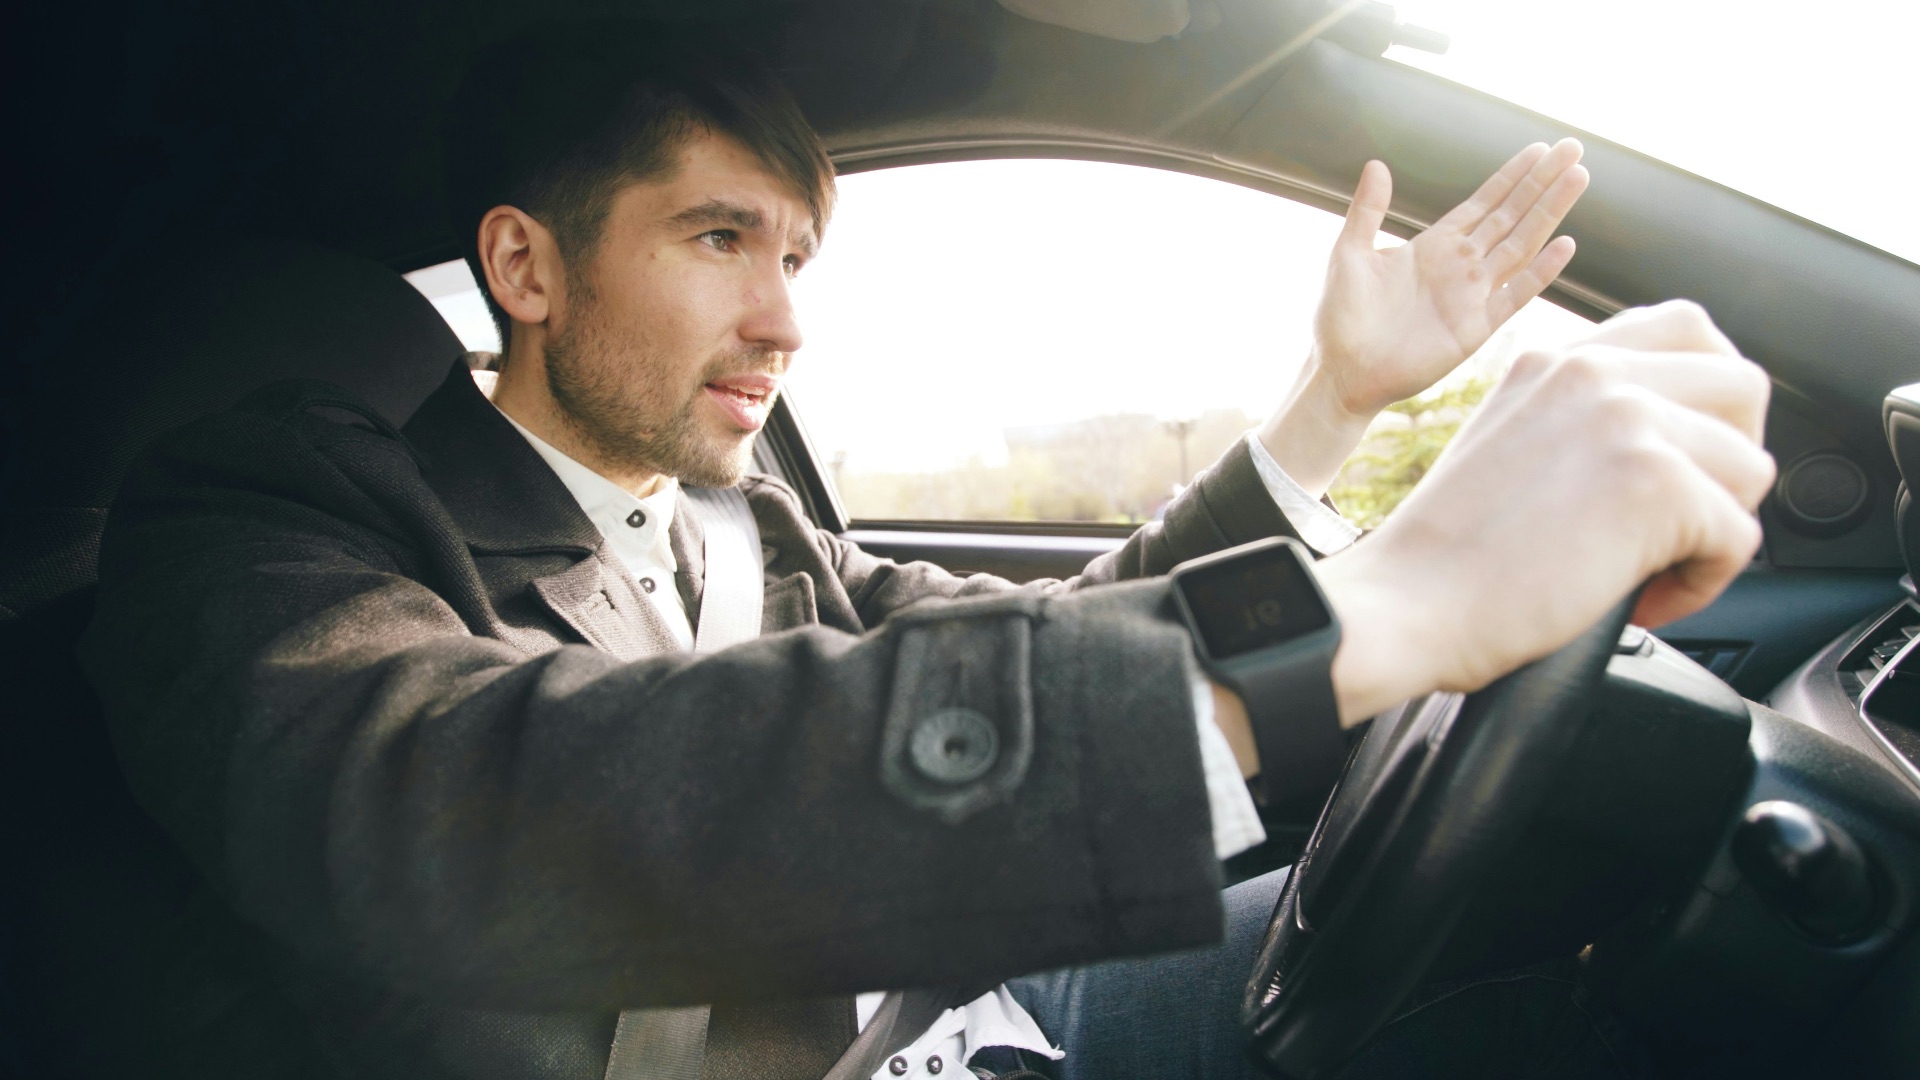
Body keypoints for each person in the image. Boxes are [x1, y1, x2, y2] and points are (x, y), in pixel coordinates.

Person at [79, 20, 1773, 1080]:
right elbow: (468, 806)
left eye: (798, 254)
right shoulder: (264, 524)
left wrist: (1332, 413)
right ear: (526, 269)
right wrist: (1386, 615)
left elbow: (1083, 638)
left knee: (1575, 980)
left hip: (955, 1022)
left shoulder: (749, 531)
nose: (783, 318)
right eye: (720, 237)